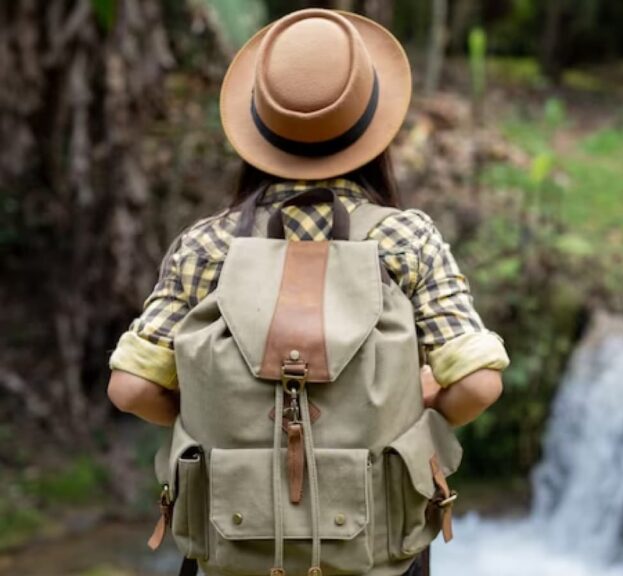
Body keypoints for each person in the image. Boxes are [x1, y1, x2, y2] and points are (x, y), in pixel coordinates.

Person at [106, 8, 508, 576]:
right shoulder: (406, 239)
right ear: (374, 130)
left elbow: (129, 388)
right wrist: (413, 396)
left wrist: (222, 403)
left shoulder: (206, 246)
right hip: (378, 551)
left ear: (257, 127)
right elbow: (478, 383)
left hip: (232, 546)